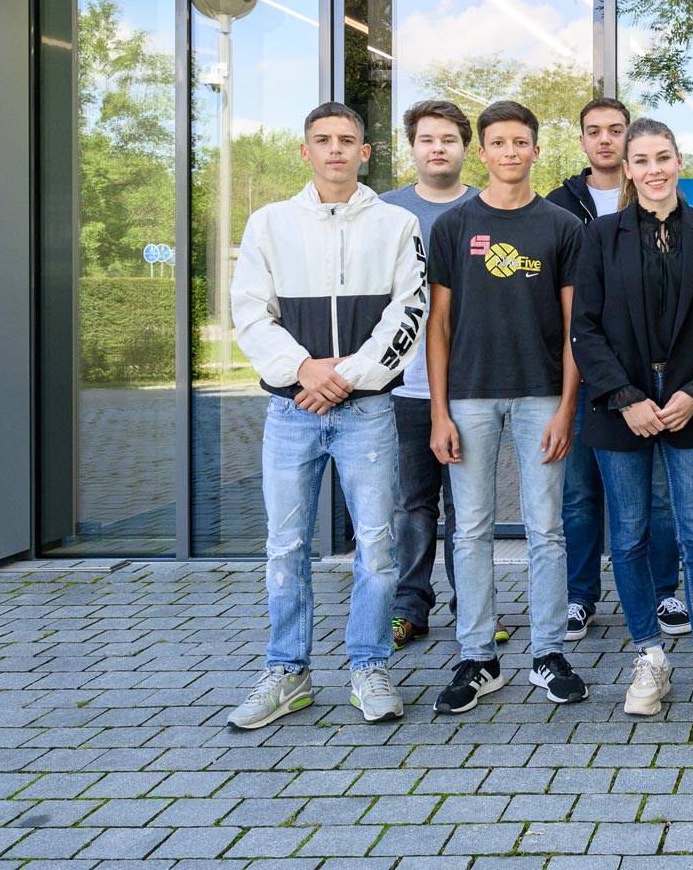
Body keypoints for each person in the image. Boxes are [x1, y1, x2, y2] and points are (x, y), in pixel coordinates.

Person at [226, 102, 425, 730]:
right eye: (323, 140)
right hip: (291, 412)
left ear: (366, 153)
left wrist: (346, 377)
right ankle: (288, 671)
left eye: (347, 140)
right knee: (285, 546)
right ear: (305, 151)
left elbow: (409, 311)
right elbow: (251, 314)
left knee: (376, 545)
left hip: (366, 411)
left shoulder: (396, 224)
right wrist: (304, 370)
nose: (335, 149)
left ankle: (368, 666)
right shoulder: (268, 224)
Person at [572, 119, 693, 739]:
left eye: (663, 157)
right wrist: (624, 397)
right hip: (623, 407)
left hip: (691, 402)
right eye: (640, 160)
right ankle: (649, 656)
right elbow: (583, 328)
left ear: (679, 161)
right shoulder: (601, 236)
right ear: (629, 169)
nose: (653, 169)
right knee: (632, 536)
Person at [426, 100, 589, 714]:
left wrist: (568, 408)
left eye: (521, 142)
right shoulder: (453, 226)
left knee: (546, 529)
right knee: (469, 529)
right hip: (467, 397)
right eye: (498, 143)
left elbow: (576, 326)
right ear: (483, 151)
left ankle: (548, 653)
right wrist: (439, 412)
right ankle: (478, 658)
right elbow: (437, 327)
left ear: (537, 151)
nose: (510, 153)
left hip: (542, 395)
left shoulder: (562, 228)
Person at [548, 97, 688, 645]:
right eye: (594, 131)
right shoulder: (560, 205)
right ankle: (580, 597)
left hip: (648, 377)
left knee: (655, 493)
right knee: (580, 492)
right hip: (584, 370)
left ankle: (663, 589)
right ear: (583, 141)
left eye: (615, 130)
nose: (605, 139)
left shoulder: (671, 210)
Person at [382, 100, 492, 650]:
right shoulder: (385, 211)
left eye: (449, 138)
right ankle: (409, 606)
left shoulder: (486, 209)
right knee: (412, 501)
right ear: (414, 147)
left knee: (468, 505)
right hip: (405, 385)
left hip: (470, 385)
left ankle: (471, 606)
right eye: (427, 139)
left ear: (465, 147)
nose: (438, 148)